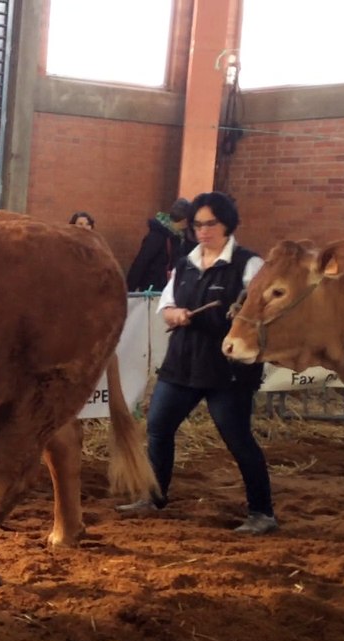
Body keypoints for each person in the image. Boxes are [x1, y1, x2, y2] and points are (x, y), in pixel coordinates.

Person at [119, 192, 276, 534]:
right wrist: (174, 313)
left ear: (228, 224)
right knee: (158, 428)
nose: (203, 231)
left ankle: (262, 512)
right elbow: (167, 303)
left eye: (211, 224)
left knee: (237, 439)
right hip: (182, 362)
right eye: (198, 225)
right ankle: (153, 497)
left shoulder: (250, 264)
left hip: (227, 370)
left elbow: (262, 310)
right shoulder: (185, 263)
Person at [126, 197, 195, 292]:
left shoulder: (181, 236)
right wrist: (129, 292)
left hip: (167, 289)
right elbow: (140, 263)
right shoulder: (157, 236)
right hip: (152, 291)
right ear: (184, 220)